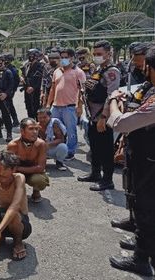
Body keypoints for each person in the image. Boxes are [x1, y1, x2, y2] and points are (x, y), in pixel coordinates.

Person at [107, 45, 155, 277]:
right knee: (141, 204)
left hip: (150, 162)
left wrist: (113, 102)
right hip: (143, 157)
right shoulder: (149, 89)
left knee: (147, 208)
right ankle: (144, 245)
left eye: (142, 64)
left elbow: (121, 123)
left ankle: (140, 259)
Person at [77, 40, 120, 191]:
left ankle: (107, 180)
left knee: (106, 149)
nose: (96, 57)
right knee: (95, 147)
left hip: (102, 118)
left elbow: (111, 96)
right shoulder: (98, 70)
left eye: (99, 54)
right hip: (92, 116)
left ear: (109, 54)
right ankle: (95, 173)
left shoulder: (112, 72)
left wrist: (103, 117)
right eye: (94, 54)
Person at [46, 48, 86, 160]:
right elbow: (53, 89)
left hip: (70, 107)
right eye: (61, 57)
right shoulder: (56, 72)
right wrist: (48, 104)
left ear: (72, 58)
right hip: (56, 106)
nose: (63, 60)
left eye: (65, 57)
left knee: (71, 130)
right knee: (54, 129)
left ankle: (70, 151)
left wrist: (80, 106)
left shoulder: (79, 72)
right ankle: (56, 150)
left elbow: (83, 91)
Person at [7, 118, 49, 202]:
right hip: (17, 174)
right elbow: (9, 167)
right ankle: (16, 192)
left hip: (32, 173)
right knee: (6, 176)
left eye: (36, 129)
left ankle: (36, 191)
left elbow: (41, 167)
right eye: (31, 129)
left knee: (40, 180)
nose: (35, 132)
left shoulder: (41, 144)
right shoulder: (13, 145)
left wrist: (18, 169)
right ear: (22, 131)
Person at [22, 49, 44, 119]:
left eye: (31, 56)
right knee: (29, 107)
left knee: (35, 107)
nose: (30, 57)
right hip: (27, 89)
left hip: (35, 91)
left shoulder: (39, 66)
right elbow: (26, 76)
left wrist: (33, 87)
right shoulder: (28, 65)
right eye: (29, 56)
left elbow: (39, 78)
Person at [3, 53, 20, 127]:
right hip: (5, 89)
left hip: (9, 90)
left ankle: (14, 120)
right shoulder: (6, 68)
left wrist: (13, 90)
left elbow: (16, 80)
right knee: (7, 105)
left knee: (8, 105)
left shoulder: (12, 69)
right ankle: (6, 120)